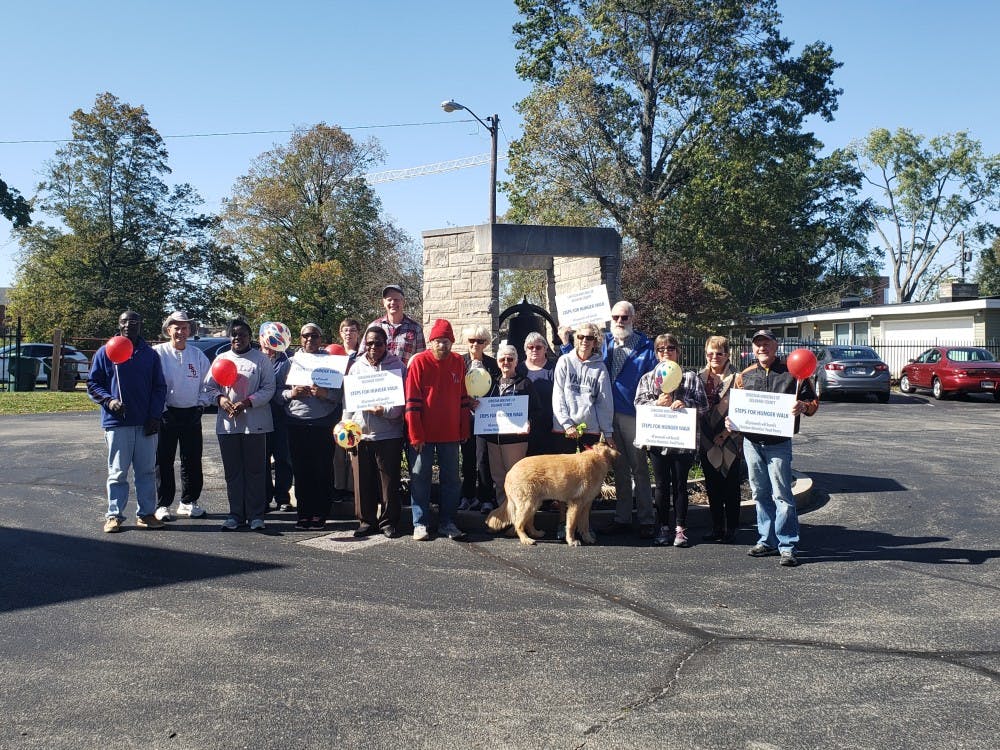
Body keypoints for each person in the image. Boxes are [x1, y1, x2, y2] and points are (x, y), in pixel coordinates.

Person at [728, 329, 818, 567]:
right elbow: (738, 407)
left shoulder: (793, 373)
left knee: (782, 495)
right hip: (752, 443)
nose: (761, 348)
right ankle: (766, 540)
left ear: (775, 345)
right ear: (753, 348)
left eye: (766, 343)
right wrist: (732, 421)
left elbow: (813, 403)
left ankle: (787, 545)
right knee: (759, 493)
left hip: (779, 444)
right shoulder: (744, 375)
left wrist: (803, 407)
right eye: (758, 344)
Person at [88, 310, 168, 533]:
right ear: (119, 324)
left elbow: (159, 387)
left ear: (140, 324)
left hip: (145, 423)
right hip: (117, 423)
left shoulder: (150, 355)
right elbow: (93, 384)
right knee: (118, 472)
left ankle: (146, 514)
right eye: (124, 321)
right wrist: (109, 401)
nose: (129, 324)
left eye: (134, 321)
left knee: (147, 471)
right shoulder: (106, 352)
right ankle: (114, 515)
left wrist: (154, 416)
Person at [634, 333, 707, 548]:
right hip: (658, 441)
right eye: (661, 349)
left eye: (671, 349)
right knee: (662, 486)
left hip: (682, 442)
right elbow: (638, 405)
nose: (666, 353)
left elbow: (704, 407)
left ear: (678, 351)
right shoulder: (648, 378)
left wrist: (685, 403)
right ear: (656, 353)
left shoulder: (691, 377)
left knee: (680, 486)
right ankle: (663, 527)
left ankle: (680, 529)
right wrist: (657, 403)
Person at [405, 318, 474, 541]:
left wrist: (464, 429)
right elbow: (412, 402)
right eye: (437, 341)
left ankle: (448, 522)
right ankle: (420, 522)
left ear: (452, 343)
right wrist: (415, 434)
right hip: (423, 434)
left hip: (450, 433)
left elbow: (463, 399)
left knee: (451, 480)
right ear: (430, 343)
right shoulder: (419, 362)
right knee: (419, 477)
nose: (442, 346)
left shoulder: (458, 362)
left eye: (446, 341)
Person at [206, 318, 275, 531]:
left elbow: (269, 388)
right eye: (234, 334)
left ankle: (256, 515)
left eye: (243, 334)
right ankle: (235, 514)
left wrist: (246, 403)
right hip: (228, 425)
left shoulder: (261, 359)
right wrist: (222, 400)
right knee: (233, 472)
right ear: (229, 337)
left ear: (250, 337)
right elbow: (208, 388)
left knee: (255, 471)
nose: (238, 337)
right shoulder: (221, 359)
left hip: (255, 424)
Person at [344, 326, 406, 538]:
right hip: (359, 434)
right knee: (362, 481)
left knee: (388, 482)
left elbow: (402, 402)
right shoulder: (356, 368)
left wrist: (386, 412)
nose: (373, 347)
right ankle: (366, 521)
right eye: (369, 343)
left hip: (388, 434)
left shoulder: (397, 366)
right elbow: (348, 403)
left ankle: (388, 522)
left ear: (386, 344)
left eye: (378, 343)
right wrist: (345, 426)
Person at [603, 301, 658, 538]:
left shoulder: (646, 347)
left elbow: (658, 378)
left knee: (639, 468)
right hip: (607, 414)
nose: (619, 321)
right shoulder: (603, 342)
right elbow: (577, 355)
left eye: (624, 317)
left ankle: (646, 519)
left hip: (633, 415)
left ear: (633, 319)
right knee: (619, 468)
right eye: (615, 317)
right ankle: (622, 517)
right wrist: (564, 340)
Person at [282, 323, 342, 530]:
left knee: (322, 470)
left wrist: (324, 394)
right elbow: (276, 393)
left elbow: (339, 395)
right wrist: (292, 393)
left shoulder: (330, 362)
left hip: (322, 423)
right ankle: (304, 513)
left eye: (314, 336)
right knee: (301, 471)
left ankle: (320, 513)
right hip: (296, 422)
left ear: (320, 338)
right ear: (300, 338)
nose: (310, 340)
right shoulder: (290, 362)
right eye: (306, 336)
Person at [152, 311, 212, 521]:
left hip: (191, 414)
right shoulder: (158, 353)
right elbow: (152, 385)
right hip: (166, 414)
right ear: (168, 330)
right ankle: (162, 504)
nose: (180, 332)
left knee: (192, 459)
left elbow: (208, 384)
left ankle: (188, 501)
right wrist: (162, 410)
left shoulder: (197, 355)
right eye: (176, 327)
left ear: (190, 330)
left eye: (184, 328)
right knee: (164, 460)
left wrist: (201, 406)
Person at [482, 344, 542, 515]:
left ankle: (520, 516)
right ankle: (506, 515)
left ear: (516, 362)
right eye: (502, 359)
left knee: (516, 480)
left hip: (515, 441)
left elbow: (537, 410)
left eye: (510, 359)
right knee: (499, 480)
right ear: (498, 363)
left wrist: (529, 421)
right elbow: (482, 406)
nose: (506, 362)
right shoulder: (490, 383)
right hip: (494, 440)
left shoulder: (525, 383)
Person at [698, 336, 743, 543]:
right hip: (706, 438)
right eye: (710, 353)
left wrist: (725, 434)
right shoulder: (698, 378)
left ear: (727, 355)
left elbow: (743, 410)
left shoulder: (738, 378)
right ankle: (716, 526)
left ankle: (732, 527)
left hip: (731, 437)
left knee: (731, 486)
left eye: (719, 353)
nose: (714, 357)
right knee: (712, 485)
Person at [552, 321, 614, 453]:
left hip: (590, 428)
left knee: (590, 471)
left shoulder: (600, 367)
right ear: (576, 339)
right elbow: (558, 395)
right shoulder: (565, 361)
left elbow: (604, 401)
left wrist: (607, 432)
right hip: (564, 427)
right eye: (580, 337)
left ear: (595, 342)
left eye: (589, 338)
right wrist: (566, 423)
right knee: (565, 472)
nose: (584, 340)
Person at [459, 324, 500, 512]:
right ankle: (467, 496)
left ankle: (486, 498)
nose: (475, 344)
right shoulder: (459, 362)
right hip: (465, 417)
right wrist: (465, 400)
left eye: (480, 341)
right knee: (467, 457)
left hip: (487, 418)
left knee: (483, 458)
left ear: (486, 343)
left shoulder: (493, 364)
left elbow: (499, 389)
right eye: (471, 340)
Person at [260, 324, 293, 513]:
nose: (272, 343)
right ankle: (264, 498)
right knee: (262, 459)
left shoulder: (288, 361)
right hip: (259, 415)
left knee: (283, 458)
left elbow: (289, 387)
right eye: (269, 339)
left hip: (282, 416)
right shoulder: (255, 359)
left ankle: (283, 497)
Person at [333, 317, 362, 502]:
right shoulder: (333, 354)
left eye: (352, 330)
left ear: (358, 333)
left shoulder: (363, 355)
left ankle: (352, 488)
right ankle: (338, 486)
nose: (348, 333)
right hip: (334, 404)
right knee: (337, 448)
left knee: (352, 444)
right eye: (345, 330)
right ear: (340, 333)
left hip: (354, 405)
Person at [518, 331, 558, 457]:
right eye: (530, 347)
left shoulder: (554, 369)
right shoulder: (518, 370)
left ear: (546, 349)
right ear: (525, 350)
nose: (534, 349)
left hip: (549, 426)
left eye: (538, 347)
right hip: (525, 426)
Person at [369, 284, 425, 365]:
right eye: (389, 299)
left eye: (396, 299)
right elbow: (362, 356)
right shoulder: (374, 327)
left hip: (406, 376)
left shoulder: (416, 329)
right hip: (379, 376)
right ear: (383, 303)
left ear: (403, 302)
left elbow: (421, 359)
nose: (393, 303)